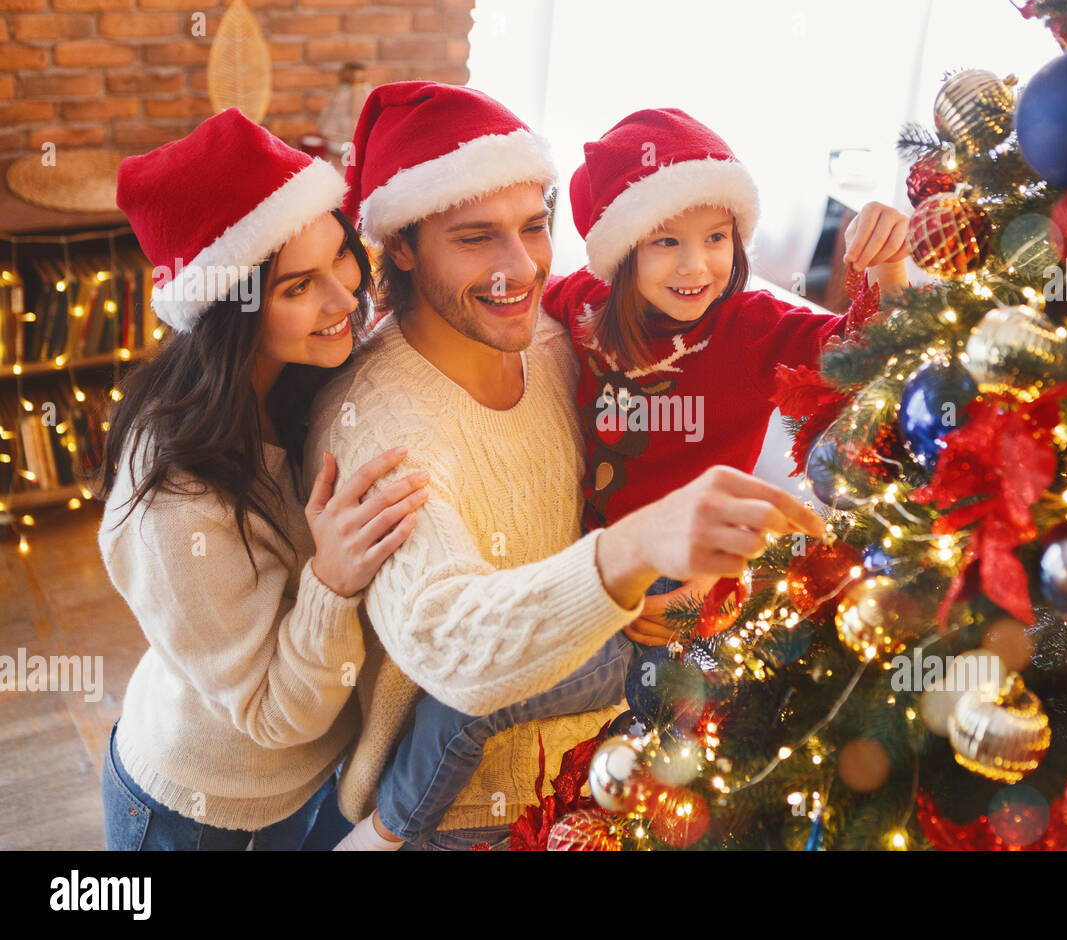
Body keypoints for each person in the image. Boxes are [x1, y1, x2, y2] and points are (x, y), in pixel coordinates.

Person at [305, 81, 826, 851]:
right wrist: (629, 558)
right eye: (477, 236)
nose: (522, 268)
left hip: (587, 774)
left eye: (535, 226)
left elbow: (754, 333)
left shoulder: (554, 334)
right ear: (402, 246)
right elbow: (458, 652)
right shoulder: (382, 423)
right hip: (468, 818)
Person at [98, 108, 429, 850]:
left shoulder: (300, 380)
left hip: (309, 784)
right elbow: (274, 713)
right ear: (230, 312)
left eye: (341, 256)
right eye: (297, 287)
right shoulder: (174, 497)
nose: (345, 299)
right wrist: (332, 580)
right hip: (197, 813)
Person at [542, 107, 909, 717]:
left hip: (698, 578)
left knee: (681, 737)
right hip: (597, 568)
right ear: (620, 250)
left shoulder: (751, 328)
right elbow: (518, 317)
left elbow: (869, 355)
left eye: (716, 237)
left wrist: (889, 264)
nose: (696, 267)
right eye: (667, 242)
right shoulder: (584, 304)